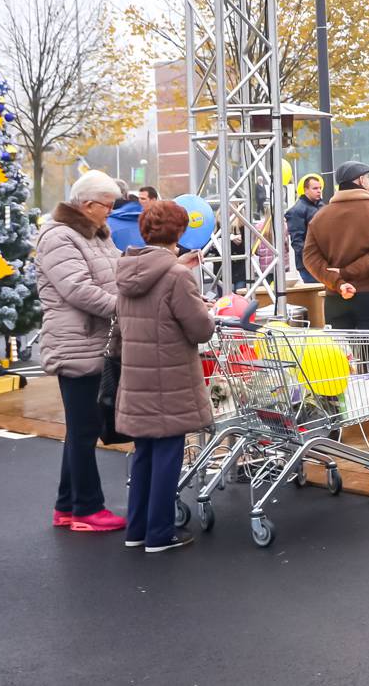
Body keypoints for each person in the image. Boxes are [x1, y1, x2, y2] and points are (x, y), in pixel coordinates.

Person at [113, 201, 215, 553]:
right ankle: (160, 533)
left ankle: (137, 529)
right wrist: (206, 310)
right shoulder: (176, 275)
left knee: (144, 452)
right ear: (179, 232)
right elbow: (200, 329)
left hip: (136, 375)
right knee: (169, 453)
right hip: (170, 375)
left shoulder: (125, 269)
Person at [34, 169, 124, 533]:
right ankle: (87, 508)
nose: (111, 212)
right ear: (87, 205)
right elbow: (78, 289)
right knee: (85, 429)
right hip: (77, 343)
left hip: (91, 342)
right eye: (107, 206)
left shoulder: (96, 234)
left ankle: (68, 505)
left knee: (81, 429)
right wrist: (125, 308)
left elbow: (119, 271)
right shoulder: (59, 237)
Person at [304, 160, 369, 446]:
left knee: (338, 363)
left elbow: (310, 258)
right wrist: (350, 275)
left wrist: (337, 281)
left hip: (336, 299)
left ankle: (336, 427)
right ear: (361, 181)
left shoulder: (321, 216)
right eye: (368, 177)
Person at [286, 174, 324, 281]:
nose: (319, 191)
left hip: (322, 261)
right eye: (315, 188)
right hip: (309, 264)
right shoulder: (297, 210)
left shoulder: (321, 206)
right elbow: (297, 241)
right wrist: (312, 258)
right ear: (306, 190)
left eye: (320, 188)